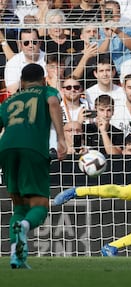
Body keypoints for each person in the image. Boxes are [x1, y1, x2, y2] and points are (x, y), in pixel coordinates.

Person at [0, 63, 67, 269]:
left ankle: (16, 256)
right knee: (39, 206)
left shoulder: (9, 101)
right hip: (32, 149)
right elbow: (53, 101)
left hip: (6, 149)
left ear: (21, 82)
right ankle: (26, 226)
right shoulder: (47, 91)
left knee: (19, 206)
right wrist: (62, 139)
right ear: (44, 79)